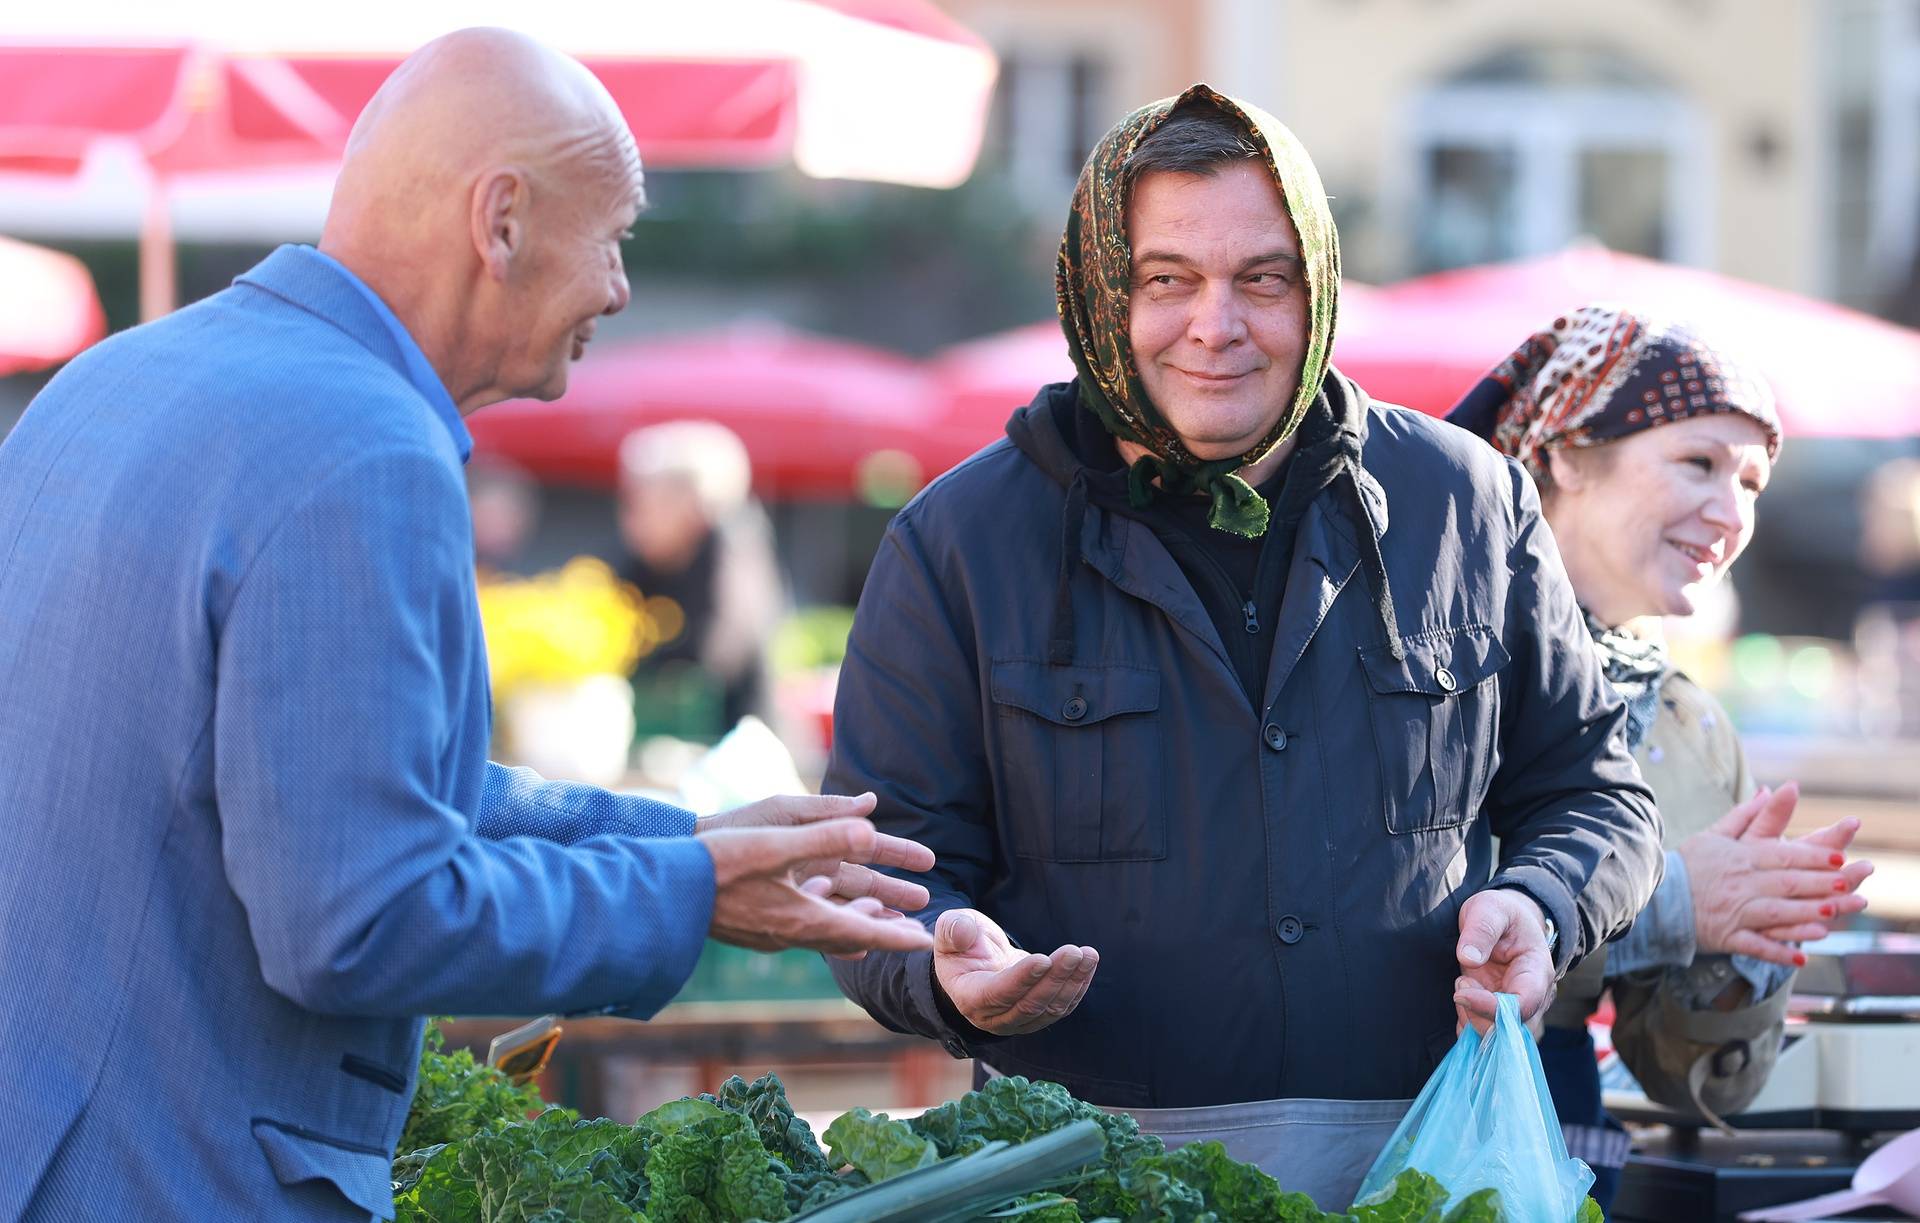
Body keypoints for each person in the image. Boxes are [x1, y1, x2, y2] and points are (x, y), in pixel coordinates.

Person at [0, 30, 933, 1223]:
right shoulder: (364, 446)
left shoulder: (108, 378)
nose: (620, 287)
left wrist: (684, 839)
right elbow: (361, 918)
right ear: (499, 223)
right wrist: (685, 894)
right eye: (615, 235)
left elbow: (336, 792)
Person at [825, 84, 1674, 1210]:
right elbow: (876, 874)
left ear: (1316, 285)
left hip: (1422, 1169)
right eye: (1166, 280)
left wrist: (1542, 900)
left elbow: (1596, 792)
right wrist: (943, 964)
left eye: (1262, 278)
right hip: (1089, 1183)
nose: (1215, 325)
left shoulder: (1466, 500)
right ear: (1097, 293)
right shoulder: (959, 541)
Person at [1448, 305, 1874, 1212]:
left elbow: (1693, 1082)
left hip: (1565, 1163)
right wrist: (1676, 900)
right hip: (1387, 1134)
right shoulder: (1428, 650)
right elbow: (1378, 921)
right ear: (1564, 452)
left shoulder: (1689, 724)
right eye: (1699, 463)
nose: (1732, 514)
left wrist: (1751, 947)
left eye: (1754, 483)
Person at [616, 420, 784, 739]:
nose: (630, 519)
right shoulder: (643, 559)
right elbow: (609, 618)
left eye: (644, 503)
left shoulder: (734, 544)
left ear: (691, 503)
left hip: (737, 741)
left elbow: (718, 649)